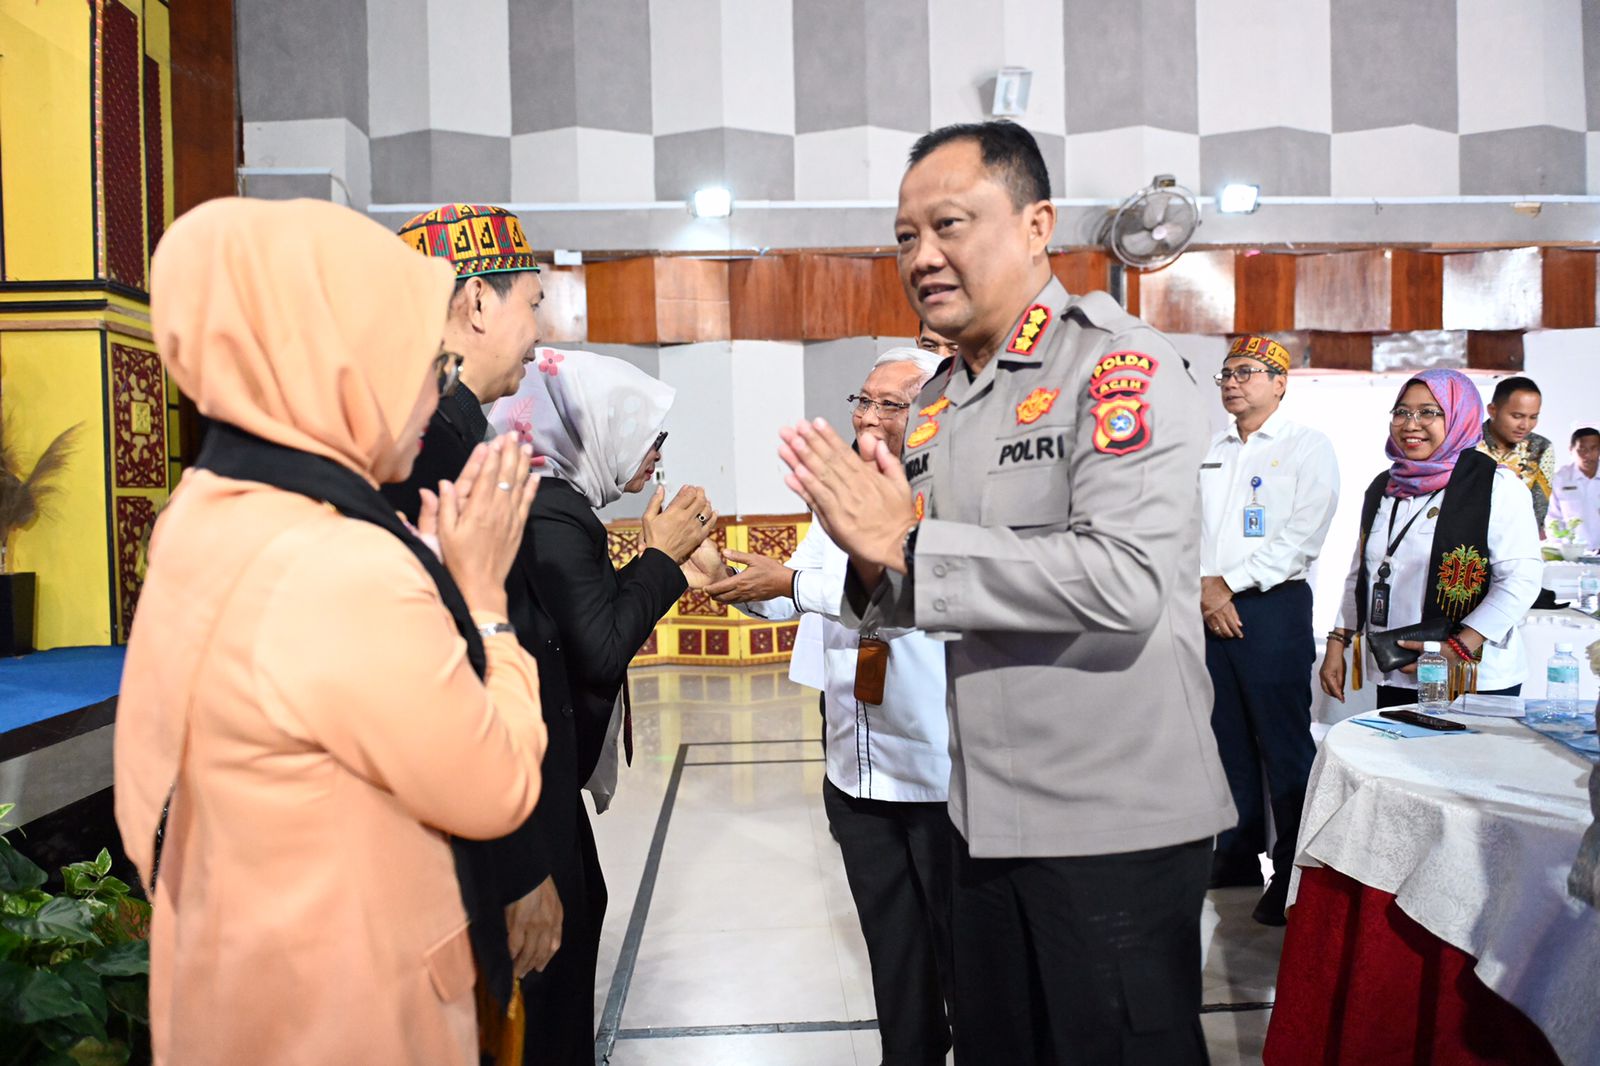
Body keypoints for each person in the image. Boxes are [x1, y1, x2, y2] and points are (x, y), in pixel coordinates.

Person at [777, 120, 1235, 1065]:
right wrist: (867, 561)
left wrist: (904, 541)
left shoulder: (1117, 367)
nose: (923, 255)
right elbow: (927, 591)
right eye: (906, 236)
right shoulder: (943, 399)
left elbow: (1128, 580)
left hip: (1112, 822)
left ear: (1037, 225)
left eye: (950, 224)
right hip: (980, 812)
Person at [115, 197, 547, 1065]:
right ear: (343, 366)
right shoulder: (336, 565)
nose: (435, 389)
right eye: (423, 361)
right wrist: (485, 606)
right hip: (346, 1015)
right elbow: (495, 784)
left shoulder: (207, 511)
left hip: (244, 990)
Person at [711, 347, 954, 1066]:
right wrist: (728, 579)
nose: (868, 415)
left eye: (893, 403)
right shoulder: (848, 490)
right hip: (856, 766)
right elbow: (808, 593)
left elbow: (919, 608)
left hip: (942, 770)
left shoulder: (950, 494)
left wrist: (791, 582)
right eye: (864, 398)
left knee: (967, 954)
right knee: (893, 947)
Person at [383, 204, 583, 1064]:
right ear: (475, 306)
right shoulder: (430, 447)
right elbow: (449, 673)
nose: (537, 336)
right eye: (531, 304)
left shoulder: (453, 429)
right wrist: (521, 864)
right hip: (491, 832)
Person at [488, 347, 715, 1057]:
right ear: (592, 429)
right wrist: (661, 559)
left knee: (583, 911)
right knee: (559, 938)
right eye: (647, 435)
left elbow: (579, 615)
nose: (656, 455)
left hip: (539, 765)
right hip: (533, 772)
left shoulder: (550, 499)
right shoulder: (553, 509)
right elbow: (600, 647)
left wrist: (663, 563)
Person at [1200, 335, 1339, 925]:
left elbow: (1303, 537)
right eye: (1226, 373)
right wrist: (1206, 592)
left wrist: (1228, 583)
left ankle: (1291, 873)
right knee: (1223, 738)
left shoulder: (1308, 447)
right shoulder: (1214, 448)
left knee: (1282, 744)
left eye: (1247, 372)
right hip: (1208, 606)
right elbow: (1187, 529)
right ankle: (1234, 853)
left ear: (1280, 383)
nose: (1232, 381)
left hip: (1272, 608)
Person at [1321, 369, 1542, 709]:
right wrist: (1339, 639)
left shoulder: (1495, 486)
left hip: (1471, 674)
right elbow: (1360, 573)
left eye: (1428, 412)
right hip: (1398, 668)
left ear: (1459, 417)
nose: (1411, 424)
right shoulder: (1385, 486)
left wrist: (1459, 648)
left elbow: (1521, 580)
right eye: (1401, 412)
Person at [1477, 375, 1555, 535]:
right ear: (1492, 410)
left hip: (1517, 539)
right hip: (1466, 540)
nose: (1525, 425)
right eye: (1517, 416)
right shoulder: (1467, 443)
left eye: (1533, 417)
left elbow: (1538, 507)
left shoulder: (1541, 448)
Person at [1548, 426, 1600, 549]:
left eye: (1594, 449)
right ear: (1571, 450)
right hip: (1573, 553)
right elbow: (1552, 518)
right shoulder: (1559, 479)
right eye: (1582, 450)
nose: (1588, 455)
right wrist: (1562, 549)